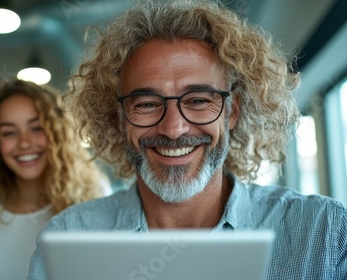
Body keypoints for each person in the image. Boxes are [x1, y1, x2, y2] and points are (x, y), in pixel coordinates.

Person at [28, 1, 347, 279]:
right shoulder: (70, 239)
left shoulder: (323, 234)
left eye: (197, 100)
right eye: (147, 104)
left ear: (231, 111)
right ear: (120, 117)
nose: (173, 129)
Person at [0, 79, 109, 280]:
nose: (24, 143)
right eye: (9, 133)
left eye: (36, 128)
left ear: (57, 134)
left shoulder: (93, 193)